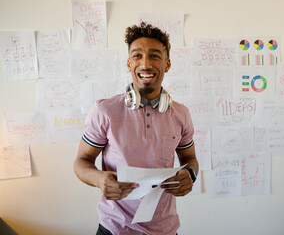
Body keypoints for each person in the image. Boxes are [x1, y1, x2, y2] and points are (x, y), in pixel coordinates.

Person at [73, 22, 199, 235]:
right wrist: (99, 179)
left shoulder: (181, 114)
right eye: (137, 55)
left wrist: (190, 174)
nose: (146, 64)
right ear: (129, 63)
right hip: (114, 228)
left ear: (167, 64)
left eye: (155, 56)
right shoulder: (104, 111)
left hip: (166, 229)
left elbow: (191, 159)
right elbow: (81, 162)